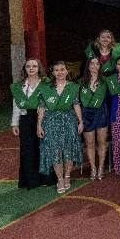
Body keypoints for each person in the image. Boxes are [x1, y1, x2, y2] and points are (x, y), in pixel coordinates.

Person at [37, 61, 83, 194]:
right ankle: (60, 179)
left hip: (68, 120)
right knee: (55, 151)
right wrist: (39, 125)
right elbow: (41, 107)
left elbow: (76, 104)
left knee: (68, 150)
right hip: (50, 122)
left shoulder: (73, 87)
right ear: (53, 73)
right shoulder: (46, 88)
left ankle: (67, 176)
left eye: (62, 69)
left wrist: (80, 121)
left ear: (67, 71)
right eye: (56, 70)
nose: (60, 72)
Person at [10, 58, 53, 189]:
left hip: (42, 118)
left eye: (34, 66)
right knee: (27, 149)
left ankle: (47, 178)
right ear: (25, 69)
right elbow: (17, 105)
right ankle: (31, 180)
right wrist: (14, 124)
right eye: (28, 66)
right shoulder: (19, 86)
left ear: (39, 68)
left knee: (44, 148)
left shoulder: (46, 84)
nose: (31, 68)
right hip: (25, 119)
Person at [79, 57, 109, 181]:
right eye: (92, 63)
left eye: (97, 64)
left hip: (101, 112)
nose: (95, 66)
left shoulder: (105, 81)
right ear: (88, 65)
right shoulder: (80, 82)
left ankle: (101, 167)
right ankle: (93, 168)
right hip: (86, 114)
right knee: (90, 143)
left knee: (102, 142)